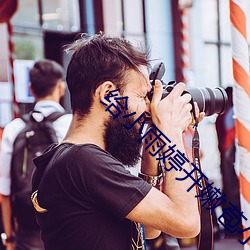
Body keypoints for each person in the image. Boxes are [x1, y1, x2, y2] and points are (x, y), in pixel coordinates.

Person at [31, 33, 203, 250]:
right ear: (108, 94)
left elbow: (149, 229)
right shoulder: (83, 162)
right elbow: (186, 222)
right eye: (142, 96)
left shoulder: (67, 158)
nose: (148, 108)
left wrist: (152, 149)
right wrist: (172, 133)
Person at [0, 59, 72, 250]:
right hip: (67, 230)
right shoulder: (71, 124)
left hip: (27, 232)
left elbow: (5, 191)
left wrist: (9, 239)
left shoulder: (14, 128)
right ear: (60, 88)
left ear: (31, 89)